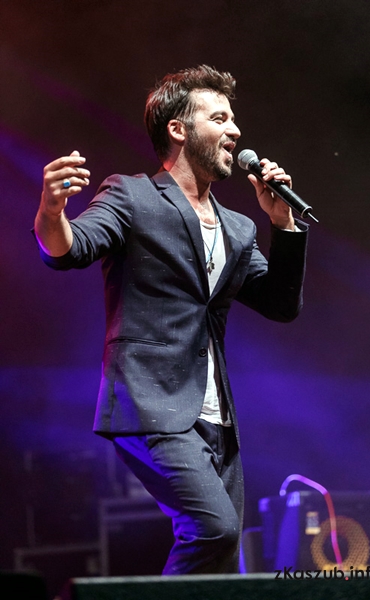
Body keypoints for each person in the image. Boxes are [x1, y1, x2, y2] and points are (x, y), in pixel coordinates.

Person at [34, 65, 308, 575]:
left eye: (233, 119)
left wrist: (283, 225)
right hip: (150, 401)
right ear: (178, 129)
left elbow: (281, 304)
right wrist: (52, 213)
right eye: (219, 118)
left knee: (221, 561)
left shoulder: (237, 227)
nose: (235, 130)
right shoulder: (132, 196)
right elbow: (71, 248)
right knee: (214, 529)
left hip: (216, 416)